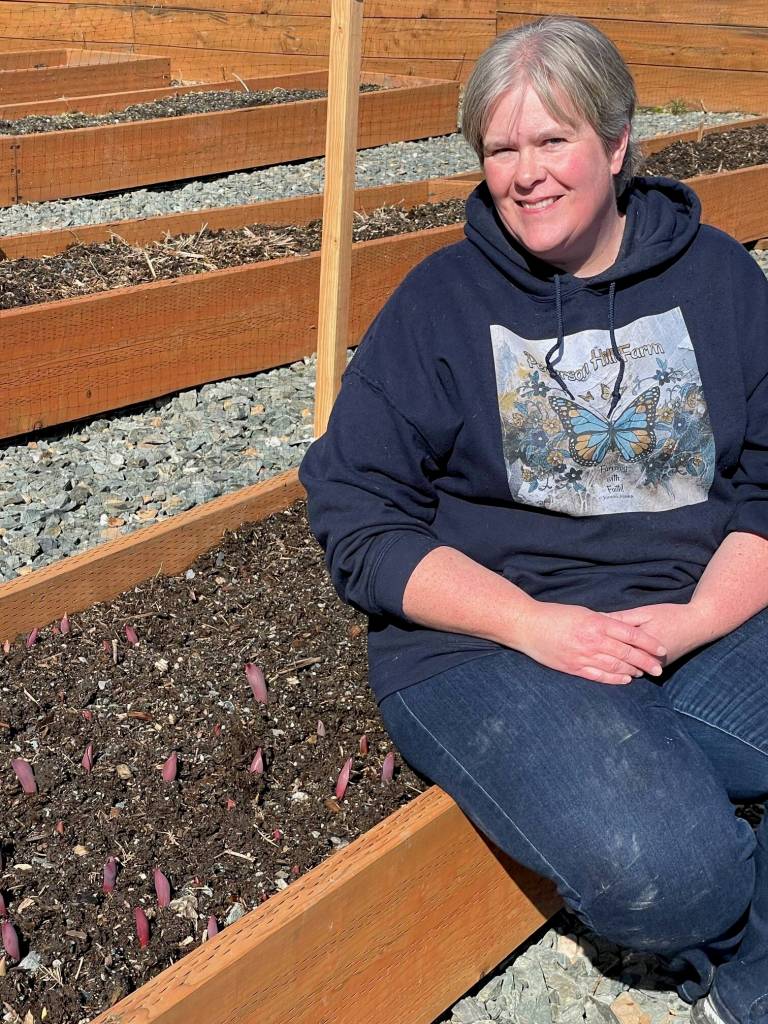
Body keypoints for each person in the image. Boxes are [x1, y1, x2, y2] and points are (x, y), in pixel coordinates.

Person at [299, 16, 768, 1024]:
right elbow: (358, 516)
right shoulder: (439, 304)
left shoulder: (723, 281)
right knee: (673, 871)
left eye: (552, 141)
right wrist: (533, 625)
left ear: (616, 142)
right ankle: (737, 932)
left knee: (666, 786)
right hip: (490, 646)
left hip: (690, 619)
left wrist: (690, 622)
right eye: (501, 148)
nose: (526, 173)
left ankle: (657, 760)